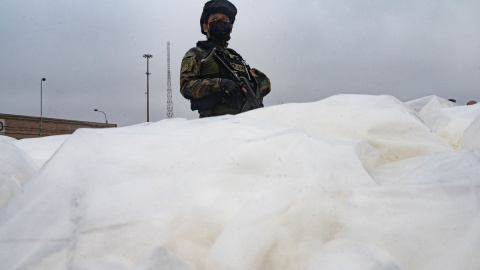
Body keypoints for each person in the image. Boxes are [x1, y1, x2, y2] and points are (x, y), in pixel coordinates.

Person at [180, 0, 271, 118]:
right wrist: (220, 84)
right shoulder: (197, 53)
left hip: (245, 121)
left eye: (224, 20)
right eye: (214, 19)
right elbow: (186, 87)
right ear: (205, 27)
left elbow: (260, 85)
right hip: (213, 124)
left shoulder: (235, 57)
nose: (220, 22)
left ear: (231, 27)